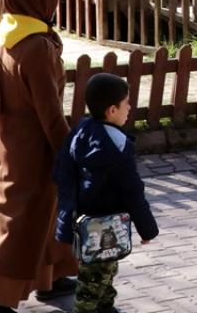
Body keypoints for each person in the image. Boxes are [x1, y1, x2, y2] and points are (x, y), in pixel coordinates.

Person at [0, 0, 79, 312]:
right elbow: (50, 112)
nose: (55, 3)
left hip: (9, 138)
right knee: (20, 221)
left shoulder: (7, 30)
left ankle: (52, 275)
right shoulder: (37, 46)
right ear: (40, 1)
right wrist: (70, 154)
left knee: (43, 210)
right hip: (35, 145)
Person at [53, 73, 159, 313]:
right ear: (112, 110)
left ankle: (105, 308)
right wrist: (147, 229)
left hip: (84, 221)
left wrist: (69, 210)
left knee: (103, 270)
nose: (130, 108)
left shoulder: (81, 131)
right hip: (108, 224)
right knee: (93, 281)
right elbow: (133, 191)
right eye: (126, 103)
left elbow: (61, 171)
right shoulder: (118, 146)